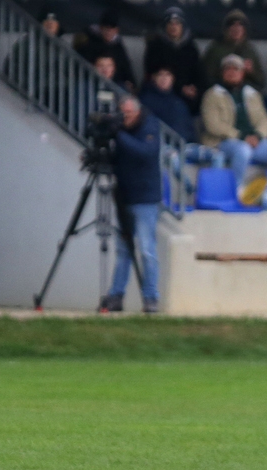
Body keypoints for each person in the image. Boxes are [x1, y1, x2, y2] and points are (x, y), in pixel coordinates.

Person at [201, 54, 267, 206]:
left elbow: (264, 119)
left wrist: (258, 136)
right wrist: (241, 136)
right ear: (222, 72)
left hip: (252, 141)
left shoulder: (251, 94)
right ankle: (236, 191)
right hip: (222, 143)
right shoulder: (212, 94)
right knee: (243, 150)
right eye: (227, 69)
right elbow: (213, 125)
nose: (232, 72)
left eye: (236, 69)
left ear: (242, 73)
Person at [99, 96, 161, 314]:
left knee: (146, 250)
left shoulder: (150, 125)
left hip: (145, 198)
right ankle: (116, 295)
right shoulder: (122, 131)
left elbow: (144, 153)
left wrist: (119, 134)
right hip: (124, 196)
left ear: (137, 111)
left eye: (127, 114)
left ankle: (151, 297)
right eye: (121, 114)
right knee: (123, 250)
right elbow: (118, 157)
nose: (123, 118)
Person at [143, 7, 203, 115]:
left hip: (188, 97)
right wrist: (180, 88)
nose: (174, 27)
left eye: (177, 23)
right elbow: (152, 74)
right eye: (170, 23)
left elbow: (198, 73)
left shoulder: (191, 48)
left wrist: (195, 88)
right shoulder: (155, 47)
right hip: (162, 93)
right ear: (165, 26)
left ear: (182, 26)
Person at [202, 10, 267, 93]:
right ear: (226, 29)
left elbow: (261, 83)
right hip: (221, 93)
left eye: (240, 25)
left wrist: (252, 72)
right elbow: (206, 78)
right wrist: (226, 74)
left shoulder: (250, 51)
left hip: (245, 94)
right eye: (233, 25)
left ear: (245, 29)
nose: (237, 29)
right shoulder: (215, 49)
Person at [74, 10, 136, 93]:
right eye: (106, 28)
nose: (109, 32)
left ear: (117, 30)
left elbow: (126, 69)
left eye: (112, 29)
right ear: (101, 28)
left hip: (114, 87)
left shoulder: (119, 47)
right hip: (92, 86)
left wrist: (130, 82)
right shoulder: (89, 44)